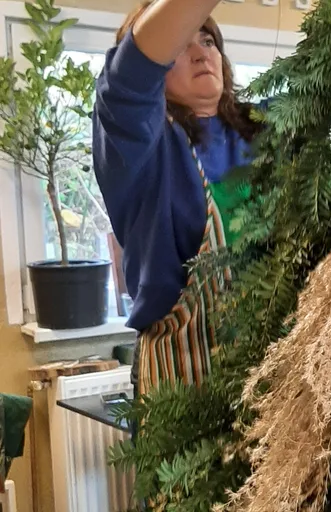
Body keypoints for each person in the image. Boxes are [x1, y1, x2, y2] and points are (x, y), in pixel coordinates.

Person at [92, 0, 267, 402]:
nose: (200, 51)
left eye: (208, 40)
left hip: (276, 380)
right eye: (179, 45)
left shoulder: (267, 128)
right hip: (185, 389)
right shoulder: (138, 147)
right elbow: (128, 81)